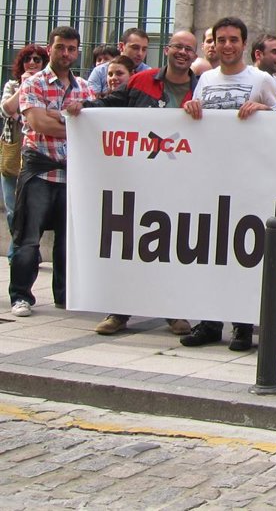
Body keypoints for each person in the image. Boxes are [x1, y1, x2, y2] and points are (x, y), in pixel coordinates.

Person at [66, 29, 200, 337]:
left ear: (195, 55)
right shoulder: (142, 81)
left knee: (172, 246)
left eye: (188, 48)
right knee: (131, 244)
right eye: (177, 46)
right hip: (137, 179)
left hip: (180, 183)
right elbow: (113, 104)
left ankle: (174, 310)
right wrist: (84, 108)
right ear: (167, 50)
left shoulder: (201, 88)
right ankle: (119, 311)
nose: (182, 52)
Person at [178, 17, 276, 351]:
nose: (227, 45)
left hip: (249, 179)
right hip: (212, 178)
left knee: (245, 254)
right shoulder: (205, 79)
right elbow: (198, 119)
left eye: (233, 40)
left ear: (244, 44)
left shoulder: (262, 79)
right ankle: (209, 322)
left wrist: (265, 110)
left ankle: (242, 325)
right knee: (211, 252)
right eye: (221, 39)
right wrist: (191, 107)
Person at [8, 26, 96, 318]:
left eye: (71, 48)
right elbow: (38, 123)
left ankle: (65, 295)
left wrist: (54, 115)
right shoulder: (33, 83)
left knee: (68, 241)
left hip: (73, 174)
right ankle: (21, 296)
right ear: (50, 48)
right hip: (40, 171)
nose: (66, 53)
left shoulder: (84, 88)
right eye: (60, 47)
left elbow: (93, 126)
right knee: (28, 238)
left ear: (77, 52)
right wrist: (70, 121)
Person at [1, 44, 48, 263]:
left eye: (37, 59)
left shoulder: (47, 86)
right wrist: (24, 86)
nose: (32, 63)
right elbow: (6, 110)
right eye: (28, 59)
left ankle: (24, 252)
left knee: (31, 210)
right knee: (13, 209)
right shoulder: (12, 85)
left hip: (37, 155)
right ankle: (19, 252)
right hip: (13, 152)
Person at [86, 27, 150, 92]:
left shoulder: (149, 75)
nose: (140, 53)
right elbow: (92, 97)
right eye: (135, 48)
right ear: (121, 46)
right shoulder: (100, 71)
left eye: (144, 49)